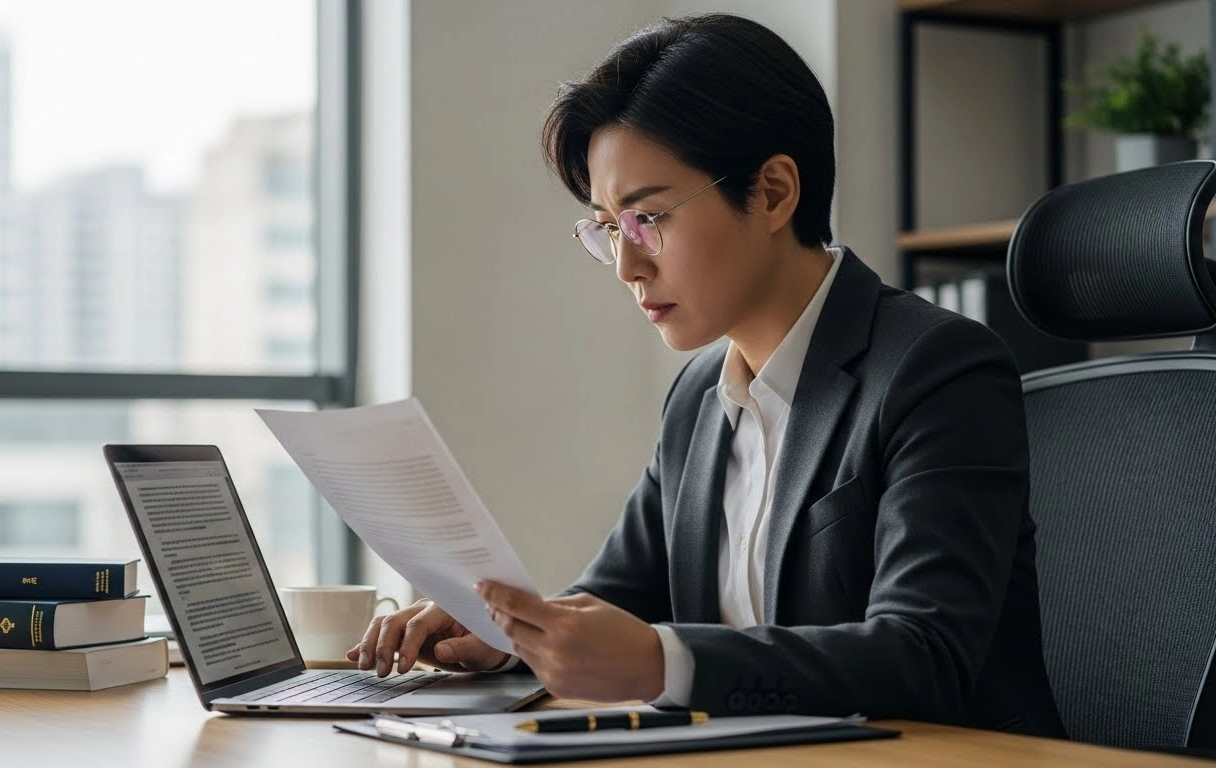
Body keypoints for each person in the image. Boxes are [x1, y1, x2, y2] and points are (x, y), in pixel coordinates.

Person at [347, 12, 1066, 737]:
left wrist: (665, 664)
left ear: (773, 192)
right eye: (607, 229)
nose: (627, 266)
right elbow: (618, 597)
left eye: (647, 218)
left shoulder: (936, 367)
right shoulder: (698, 396)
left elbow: (923, 655)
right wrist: (508, 635)